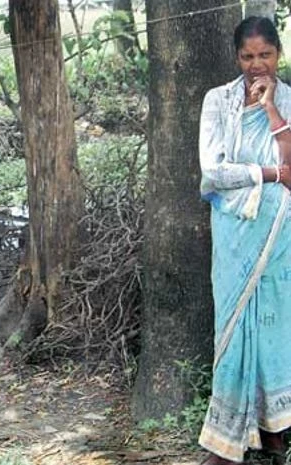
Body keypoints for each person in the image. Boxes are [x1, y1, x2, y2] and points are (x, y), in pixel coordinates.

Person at [198, 16, 291, 465]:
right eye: (248, 56)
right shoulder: (218, 101)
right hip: (235, 240)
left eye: (265, 55)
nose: (257, 65)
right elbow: (213, 171)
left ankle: (274, 435)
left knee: (274, 327)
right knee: (234, 330)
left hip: (279, 240)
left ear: (279, 53)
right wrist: (270, 174)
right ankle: (225, 444)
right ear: (236, 57)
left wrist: (273, 110)